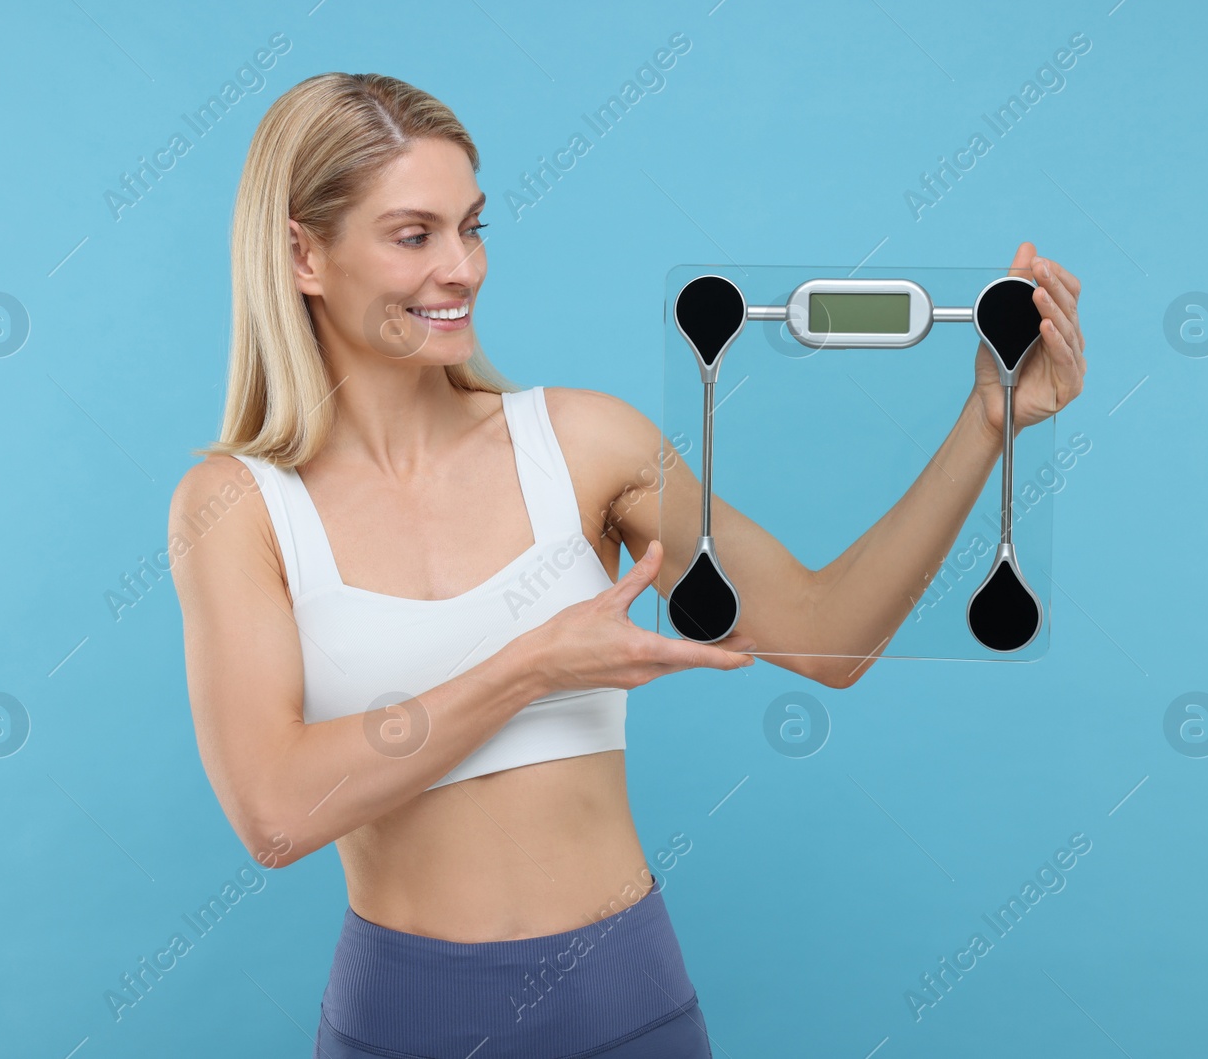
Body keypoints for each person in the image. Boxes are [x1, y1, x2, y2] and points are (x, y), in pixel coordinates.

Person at [168, 72, 1085, 1059]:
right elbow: (273, 813)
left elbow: (829, 636)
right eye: (412, 235)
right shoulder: (236, 505)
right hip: (403, 1015)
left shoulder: (584, 441)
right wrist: (531, 667)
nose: (461, 269)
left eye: (471, 227)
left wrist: (987, 423)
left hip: (621, 1002)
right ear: (304, 252)